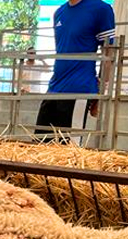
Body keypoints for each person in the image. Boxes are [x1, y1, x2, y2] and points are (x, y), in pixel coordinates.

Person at [34, 0, 115, 142]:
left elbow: (108, 53)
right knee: (39, 143)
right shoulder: (59, 12)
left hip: (80, 88)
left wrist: (102, 94)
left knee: (69, 148)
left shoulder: (101, 9)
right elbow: (63, 50)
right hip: (55, 88)